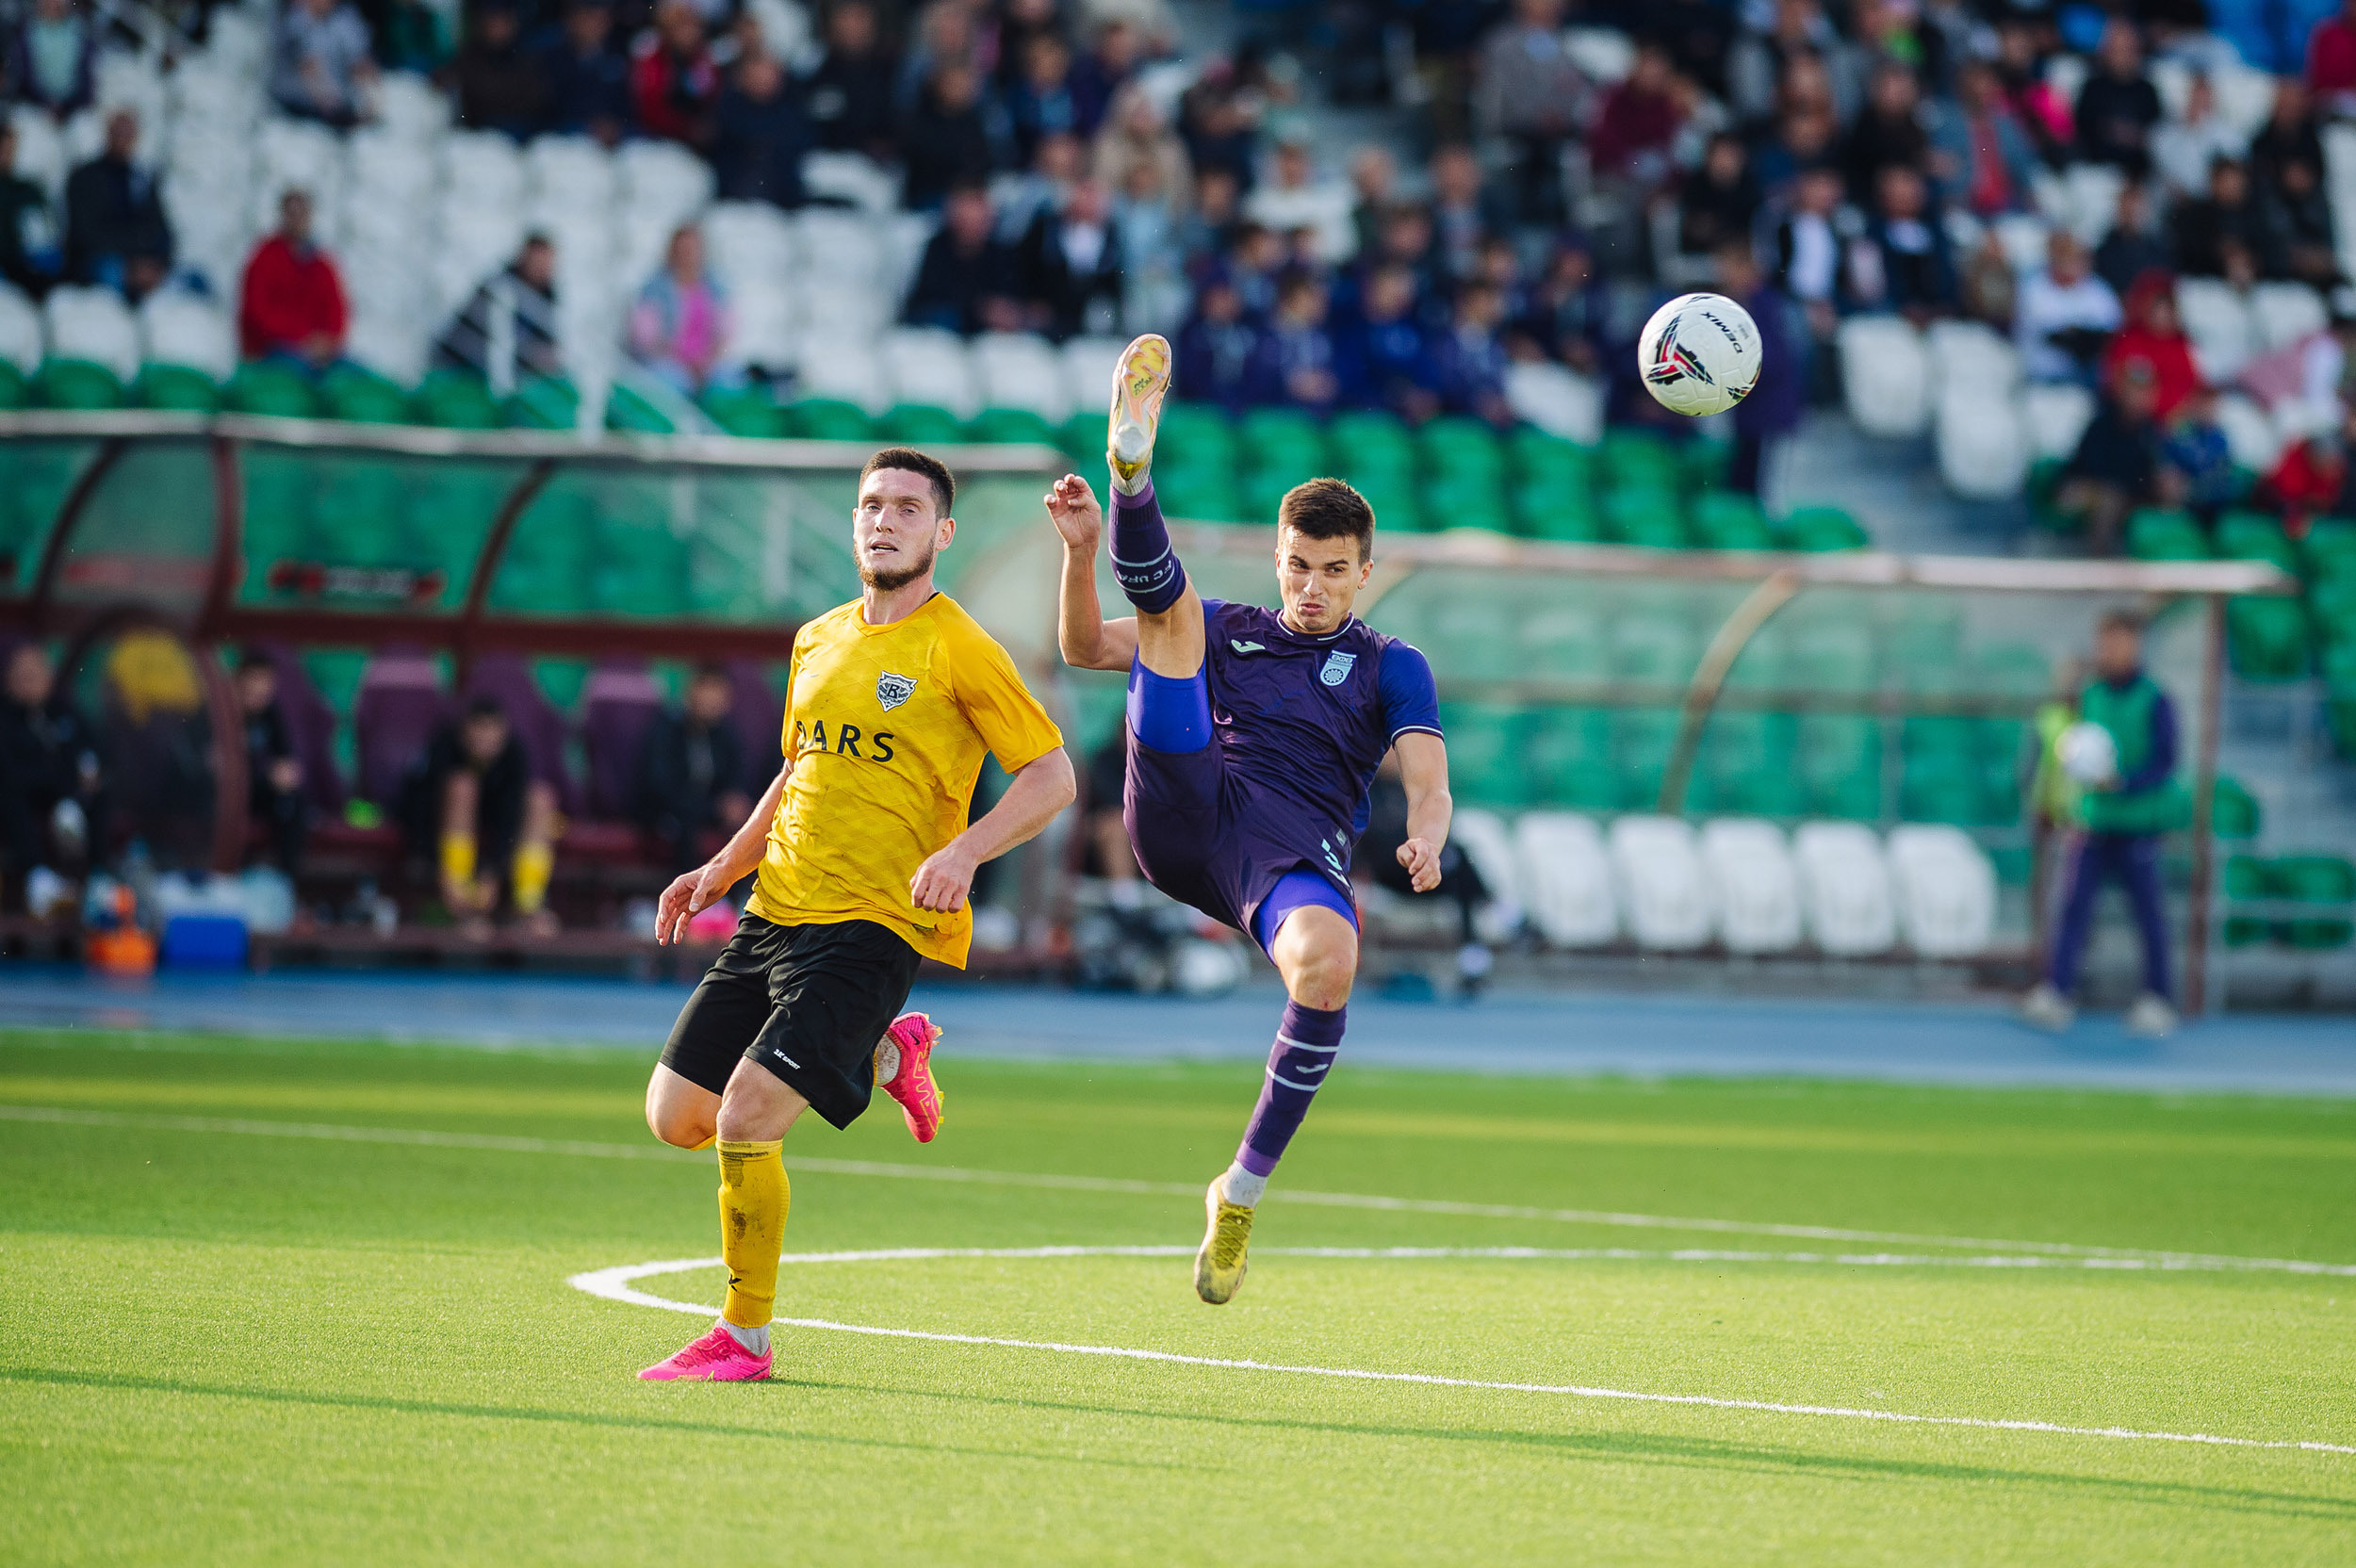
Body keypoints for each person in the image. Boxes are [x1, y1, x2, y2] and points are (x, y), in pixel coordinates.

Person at [635, 447, 1077, 1381]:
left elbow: (1051, 775)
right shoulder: (817, 638)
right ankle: (886, 1048)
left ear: (941, 533)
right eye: (872, 504)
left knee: (747, 1116)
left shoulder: (962, 645)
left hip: (875, 924)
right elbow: (800, 768)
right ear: (853, 521)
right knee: (675, 1116)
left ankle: (743, 1336)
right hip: (773, 912)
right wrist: (721, 866)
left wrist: (963, 850)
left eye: (908, 508)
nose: (885, 520)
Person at [1048, 334, 1452, 1305]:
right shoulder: (1231, 625)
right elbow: (1075, 646)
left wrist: (1427, 833)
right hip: (1186, 806)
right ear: (1279, 558)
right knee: (1173, 620)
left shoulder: (1394, 662)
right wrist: (1077, 555)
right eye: (1298, 566)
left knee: (1329, 963)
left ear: (1365, 573)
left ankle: (1238, 1191)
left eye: (1332, 571)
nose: (1310, 587)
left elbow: (1427, 774)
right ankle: (1131, 481)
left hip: (1284, 852)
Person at [2022, 610, 2186, 1038]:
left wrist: (2124, 782)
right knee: (2073, 908)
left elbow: (2166, 762)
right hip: (2092, 821)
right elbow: (2067, 747)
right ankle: (2057, 991)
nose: (2112, 651)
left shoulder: (2155, 698)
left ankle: (2157, 998)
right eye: (2106, 642)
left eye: (2121, 642)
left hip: (2137, 825)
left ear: (2135, 645)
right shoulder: (2089, 694)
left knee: (2148, 914)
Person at [401, 695, 560, 939]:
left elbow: (510, 815)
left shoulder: (514, 752)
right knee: (462, 787)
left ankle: (528, 907)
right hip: (444, 832)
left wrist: (493, 871)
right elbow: (418, 814)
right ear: (465, 731)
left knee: (541, 798)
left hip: (494, 835)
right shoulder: (442, 749)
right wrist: (437, 866)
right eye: (479, 734)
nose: (486, 744)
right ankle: (461, 906)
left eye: (493, 736)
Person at [0, 643, 99, 913]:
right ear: (9, 680)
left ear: (49, 677)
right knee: (10, 796)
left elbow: (89, 753)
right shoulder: (6, 718)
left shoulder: (64, 713)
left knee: (97, 796)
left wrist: (86, 776)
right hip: (23, 799)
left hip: (67, 799)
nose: (28, 683)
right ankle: (38, 878)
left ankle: (98, 877)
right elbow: (11, 771)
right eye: (22, 676)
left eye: (35, 675)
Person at [636, 662, 751, 873]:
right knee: (684, 826)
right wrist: (712, 807)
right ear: (690, 691)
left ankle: (734, 901)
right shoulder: (666, 730)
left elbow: (736, 777)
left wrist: (733, 800)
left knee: (745, 825)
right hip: (670, 811)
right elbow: (660, 785)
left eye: (719, 691)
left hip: (707, 812)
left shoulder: (726, 734)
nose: (712, 698)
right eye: (707, 688)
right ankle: (687, 899)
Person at [61, 109, 168, 297]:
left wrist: (156, 263)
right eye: (119, 133)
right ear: (108, 134)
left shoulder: (141, 179)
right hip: (100, 261)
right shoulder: (86, 177)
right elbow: (84, 234)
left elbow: (160, 228)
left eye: (129, 134)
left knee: (194, 280)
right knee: (109, 272)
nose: (124, 139)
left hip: (142, 263)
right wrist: (131, 264)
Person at [237, 188, 347, 368]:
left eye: (302, 213)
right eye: (292, 213)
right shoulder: (264, 258)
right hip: (271, 351)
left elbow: (337, 311)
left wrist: (326, 342)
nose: (297, 219)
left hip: (319, 355)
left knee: (357, 378)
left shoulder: (323, 265)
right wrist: (301, 337)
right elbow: (257, 313)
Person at [434, 234, 561, 384]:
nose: (542, 267)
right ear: (524, 257)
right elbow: (493, 346)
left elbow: (547, 345)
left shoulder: (545, 299)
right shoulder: (499, 289)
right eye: (538, 260)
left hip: (509, 372)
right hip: (463, 371)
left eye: (547, 261)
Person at [901, 184, 1022, 335]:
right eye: (967, 217)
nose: (973, 224)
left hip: (980, 329)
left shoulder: (998, 252)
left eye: (979, 218)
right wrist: (980, 308)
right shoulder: (936, 247)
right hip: (937, 323)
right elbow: (935, 293)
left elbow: (1007, 294)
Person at [627, 224, 732, 394]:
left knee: (729, 380)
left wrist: (706, 361)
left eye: (692, 249)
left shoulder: (714, 288)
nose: (688, 255)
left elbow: (725, 333)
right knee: (668, 380)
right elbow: (646, 338)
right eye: (683, 250)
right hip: (669, 362)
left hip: (705, 364)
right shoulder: (655, 288)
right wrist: (683, 361)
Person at [2015, 231, 2120, 386]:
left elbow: (2112, 331)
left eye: (2076, 258)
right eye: (2065, 257)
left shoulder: (2099, 291)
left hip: (2088, 376)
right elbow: (2040, 331)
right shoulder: (2034, 288)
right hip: (2044, 375)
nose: (2071, 264)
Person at [236, 652, 306, 878]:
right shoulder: (223, 713)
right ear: (239, 680)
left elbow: (286, 759)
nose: (260, 691)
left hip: (256, 789)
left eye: (265, 683)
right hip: (224, 794)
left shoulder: (270, 713)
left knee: (294, 800)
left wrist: (284, 775)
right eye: (254, 681)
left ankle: (286, 882)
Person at [710, 50, 810, 208]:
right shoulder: (727, 111)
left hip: (783, 201)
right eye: (756, 77)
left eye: (767, 77)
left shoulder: (793, 113)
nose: (763, 82)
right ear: (742, 79)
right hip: (733, 198)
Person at [533, 0, 631, 144]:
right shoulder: (552, 59)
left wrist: (615, 126)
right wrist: (588, 126)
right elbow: (548, 107)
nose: (595, 25)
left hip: (618, 134)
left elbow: (627, 103)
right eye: (588, 18)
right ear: (572, 21)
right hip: (566, 133)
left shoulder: (620, 56)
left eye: (601, 18)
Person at [270, 0, 377, 126]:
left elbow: (361, 65)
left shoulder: (343, 21)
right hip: (296, 109)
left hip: (334, 109)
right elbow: (309, 70)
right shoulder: (294, 22)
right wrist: (335, 111)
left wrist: (371, 104)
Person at [451, 0, 546, 138]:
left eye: (501, 20)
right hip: (480, 135)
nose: (496, 27)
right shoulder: (469, 57)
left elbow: (535, 105)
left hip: (521, 135)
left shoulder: (529, 57)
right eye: (491, 20)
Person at [7, 0, 93, 119]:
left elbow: (86, 76)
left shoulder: (80, 30)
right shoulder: (26, 30)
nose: (53, 3)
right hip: (32, 106)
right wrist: (44, 103)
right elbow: (21, 75)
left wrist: (68, 106)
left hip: (74, 109)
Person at [0, 122, 56, 297]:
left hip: (24, 265)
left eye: (10, 149)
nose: (6, 155)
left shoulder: (28, 190)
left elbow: (42, 236)